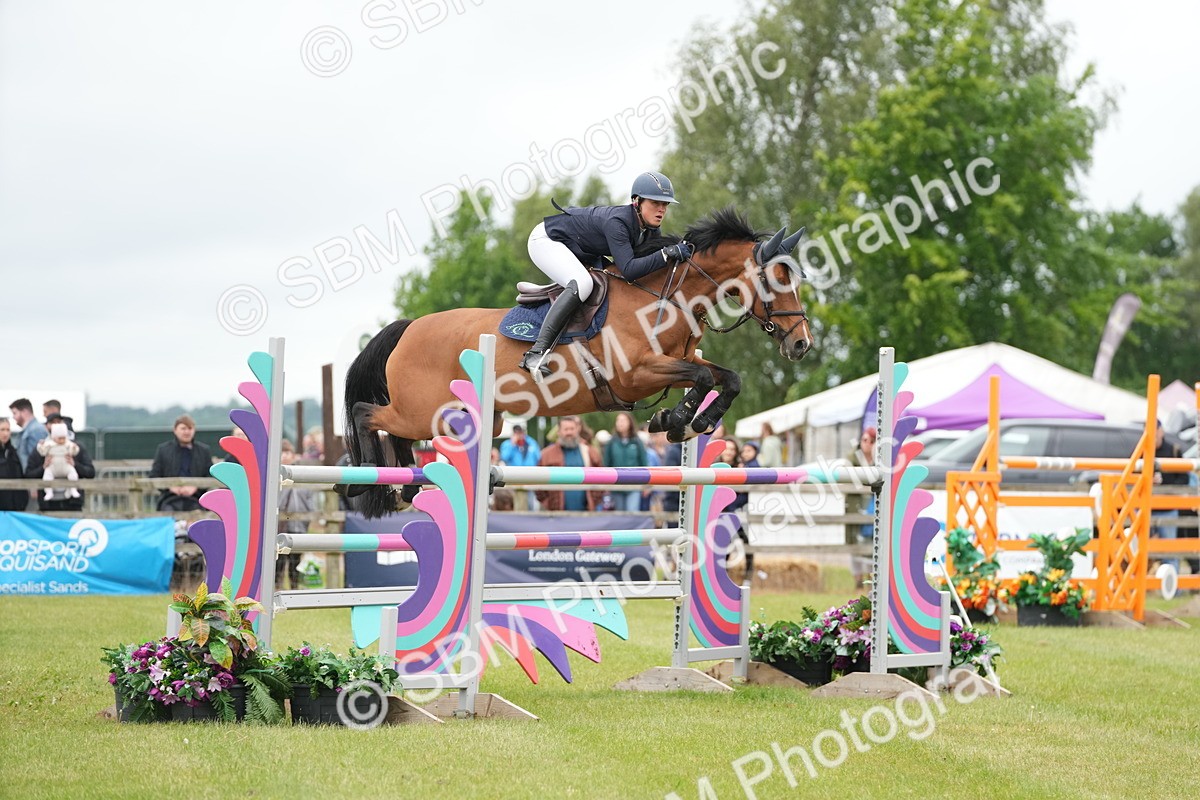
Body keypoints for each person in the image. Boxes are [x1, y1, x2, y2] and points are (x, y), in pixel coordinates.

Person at [518, 171, 692, 378]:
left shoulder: (649, 229)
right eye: (656, 203)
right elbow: (629, 270)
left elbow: (645, 265)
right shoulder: (617, 222)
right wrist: (665, 254)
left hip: (579, 248)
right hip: (547, 241)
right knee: (582, 284)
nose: (662, 210)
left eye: (665, 205)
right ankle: (536, 353)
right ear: (637, 201)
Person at [534, 416, 605, 512]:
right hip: (557, 515)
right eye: (566, 429)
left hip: (585, 513)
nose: (569, 432)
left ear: (578, 430)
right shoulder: (546, 455)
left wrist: (594, 500)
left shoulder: (590, 452)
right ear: (559, 432)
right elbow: (538, 481)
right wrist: (549, 503)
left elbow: (602, 477)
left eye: (572, 429)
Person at [150, 414, 214, 512]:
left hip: (196, 499)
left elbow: (210, 475)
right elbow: (154, 475)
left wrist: (195, 487)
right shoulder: (163, 450)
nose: (187, 432)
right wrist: (171, 487)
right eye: (183, 428)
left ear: (194, 430)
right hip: (169, 499)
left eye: (190, 428)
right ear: (175, 430)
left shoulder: (204, 451)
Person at [277, 440, 316, 589]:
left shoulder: (301, 473)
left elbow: (309, 497)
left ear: (293, 455)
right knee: (278, 559)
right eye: (282, 453)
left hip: (298, 524)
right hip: (280, 524)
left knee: (295, 558)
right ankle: (276, 586)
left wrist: (309, 515)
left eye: (288, 453)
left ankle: (294, 586)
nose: (285, 456)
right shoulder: (274, 475)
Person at [1152, 420, 1188, 573]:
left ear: (1161, 431)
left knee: (1170, 552)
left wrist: (1168, 484)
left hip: (1168, 507)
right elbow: (1133, 475)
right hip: (1148, 507)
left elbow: (1184, 478)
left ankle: (1175, 589)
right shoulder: (1142, 451)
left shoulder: (1174, 450)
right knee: (1141, 549)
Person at [847, 427, 877, 587]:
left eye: (871, 441)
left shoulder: (879, 459)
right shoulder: (853, 458)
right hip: (856, 506)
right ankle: (858, 581)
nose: (867, 444)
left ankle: (871, 579)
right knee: (855, 544)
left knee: (872, 544)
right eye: (865, 440)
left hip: (873, 506)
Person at [604, 411, 649, 512]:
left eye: (623, 420)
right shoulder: (611, 442)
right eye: (618, 420)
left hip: (634, 484)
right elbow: (607, 463)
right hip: (616, 485)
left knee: (632, 511)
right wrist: (606, 484)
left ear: (630, 422)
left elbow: (644, 462)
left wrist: (646, 485)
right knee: (619, 514)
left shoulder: (637, 441)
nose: (620, 423)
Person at [499, 423, 541, 511]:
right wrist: (512, 445)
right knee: (515, 502)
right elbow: (504, 457)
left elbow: (538, 457)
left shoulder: (531, 443)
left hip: (530, 477)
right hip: (514, 478)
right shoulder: (507, 444)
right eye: (517, 432)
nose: (519, 434)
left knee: (530, 503)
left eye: (521, 432)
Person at [36, 422, 81, 501]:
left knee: (73, 474)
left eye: (63, 438)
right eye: (59, 438)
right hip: (52, 467)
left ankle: (73, 489)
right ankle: (49, 492)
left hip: (66, 466)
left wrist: (74, 448)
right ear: (54, 437)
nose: (62, 440)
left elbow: (74, 451)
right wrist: (40, 446)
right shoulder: (49, 444)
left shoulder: (68, 443)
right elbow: (42, 452)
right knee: (47, 476)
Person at [7, 398, 47, 473]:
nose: (13, 417)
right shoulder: (29, 431)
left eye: (15, 413)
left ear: (24, 412)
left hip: (33, 481)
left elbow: (37, 460)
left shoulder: (36, 430)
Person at [0, 418, 29, 511]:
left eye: (8, 430)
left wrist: (23, 501)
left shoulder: (13, 453)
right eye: (2, 430)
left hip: (15, 508)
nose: (5, 433)